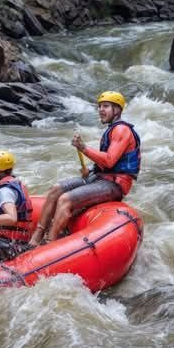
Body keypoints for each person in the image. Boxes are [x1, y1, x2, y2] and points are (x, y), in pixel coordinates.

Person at [30, 91, 141, 246]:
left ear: (117, 110)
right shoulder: (112, 129)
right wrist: (90, 170)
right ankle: (35, 238)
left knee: (65, 199)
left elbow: (109, 161)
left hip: (115, 184)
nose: (101, 110)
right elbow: (106, 164)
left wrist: (83, 148)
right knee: (56, 189)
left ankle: (49, 243)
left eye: (106, 106)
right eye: (100, 106)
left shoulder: (122, 130)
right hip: (100, 178)